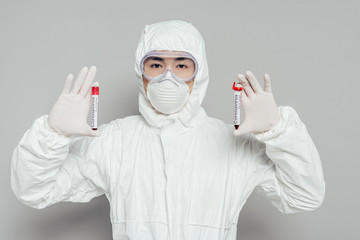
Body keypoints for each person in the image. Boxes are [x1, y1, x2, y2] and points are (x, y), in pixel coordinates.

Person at [11, 20, 326, 240]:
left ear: (197, 75)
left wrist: (277, 131)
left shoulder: (233, 145)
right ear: (142, 73)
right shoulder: (114, 141)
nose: (168, 77)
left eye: (182, 65)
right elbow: (34, 191)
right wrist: (53, 134)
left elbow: (305, 196)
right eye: (156, 64)